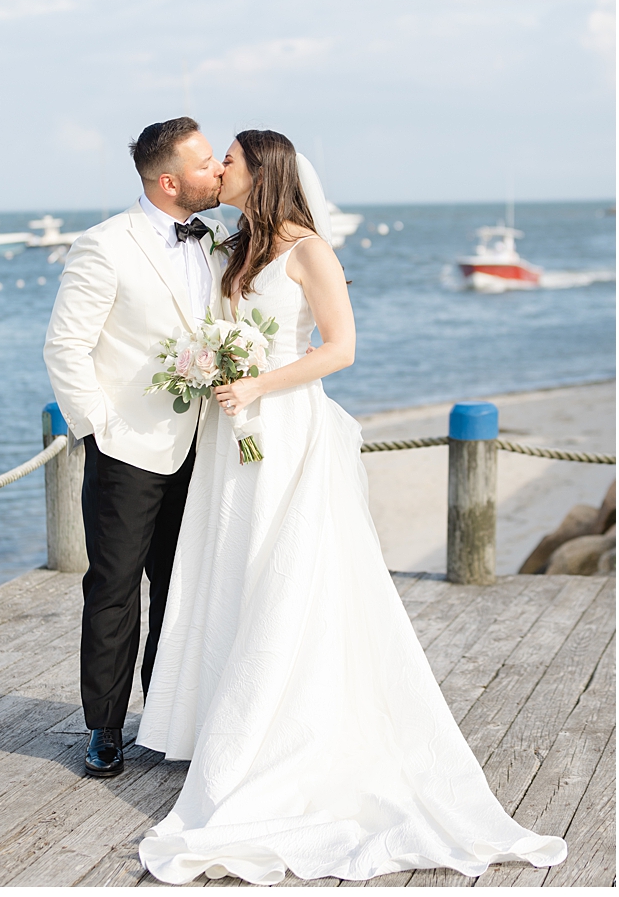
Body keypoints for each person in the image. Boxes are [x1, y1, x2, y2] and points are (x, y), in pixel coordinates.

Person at [133, 130, 565, 884]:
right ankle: (224, 725)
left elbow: (341, 348)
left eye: (228, 159)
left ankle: (281, 737)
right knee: (232, 562)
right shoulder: (237, 247)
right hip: (231, 428)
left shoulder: (306, 251)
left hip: (284, 424)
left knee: (286, 572)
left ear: (261, 171)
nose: (218, 169)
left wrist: (258, 384)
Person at [43, 117, 227, 781]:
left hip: (206, 446)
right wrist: (98, 430)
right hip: (128, 450)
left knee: (183, 588)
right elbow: (66, 348)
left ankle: (170, 716)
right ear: (170, 180)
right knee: (115, 590)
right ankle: (105, 728)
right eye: (207, 163)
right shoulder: (105, 246)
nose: (219, 173)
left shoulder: (220, 243)